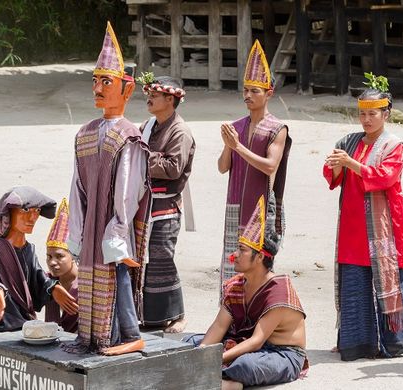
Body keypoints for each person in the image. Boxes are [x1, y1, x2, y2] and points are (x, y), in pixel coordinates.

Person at [65, 22, 151, 356]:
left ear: (127, 91)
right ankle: (90, 336)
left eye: (106, 82)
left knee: (116, 273)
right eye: (95, 81)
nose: (97, 89)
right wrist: (79, 228)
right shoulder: (85, 134)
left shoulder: (128, 136)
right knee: (90, 273)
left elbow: (129, 190)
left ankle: (125, 336)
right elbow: (77, 187)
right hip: (90, 223)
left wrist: (116, 229)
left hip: (112, 225)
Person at [323, 73, 403, 361]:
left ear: (386, 114)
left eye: (373, 113)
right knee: (354, 283)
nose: (366, 120)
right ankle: (354, 342)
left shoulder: (393, 145)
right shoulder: (348, 141)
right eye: (362, 114)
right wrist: (338, 165)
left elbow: (386, 177)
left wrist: (351, 163)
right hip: (352, 223)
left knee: (386, 281)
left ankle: (390, 344)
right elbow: (333, 176)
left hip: (382, 224)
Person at [187, 195, 307, 390]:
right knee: (190, 343)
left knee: (244, 365)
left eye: (241, 250)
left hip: (282, 353)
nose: (233, 255)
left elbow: (256, 341)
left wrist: (212, 359)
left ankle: (225, 380)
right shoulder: (237, 284)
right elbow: (219, 326)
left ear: (259, 257)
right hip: (247, 343)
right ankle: (224, 380)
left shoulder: (279, 290)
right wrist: (202, 353)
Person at [217, 39, 291, 290]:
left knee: (257, 266)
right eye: (245, 90)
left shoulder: (276, 128)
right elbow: (222, 167)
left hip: (260, 205)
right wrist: (229, 144)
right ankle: (230, 317)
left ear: (269, 93)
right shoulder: (237, 125)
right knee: (232, 264)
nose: (248, 95)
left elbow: (271, 166)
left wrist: (238, 146)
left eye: (255, 91)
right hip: (235, 202)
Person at [137, 72, 196, 333]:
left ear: (171, 100)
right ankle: (151, 317)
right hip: (144, 205)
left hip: (166, 207)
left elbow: (173, 168)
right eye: (149, 93)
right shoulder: (147, 126)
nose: (149, 97)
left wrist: (141, 158)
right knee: (144, 261)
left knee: (163, 259)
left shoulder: (180, 131)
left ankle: (178, 315)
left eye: (156, 94)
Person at [0, 187, 77, 332]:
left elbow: (38, 276)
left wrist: (53, 288)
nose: (32, 218)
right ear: (8, 214)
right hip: (1, 320)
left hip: (25, 320)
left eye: (36, 211)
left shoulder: (29, 249)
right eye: (25, 211)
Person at [43, 198, 79, 333]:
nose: (52, 262)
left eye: (59, 256)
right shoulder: (47, 281)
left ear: (73, 256)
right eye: (49, 257)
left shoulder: (86, 285)